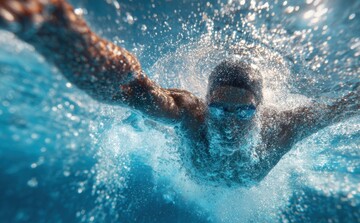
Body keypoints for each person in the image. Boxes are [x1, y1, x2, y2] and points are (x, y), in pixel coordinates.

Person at [0, 0, 358, 187]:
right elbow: (142, 96)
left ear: (260, 109)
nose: (229, 123)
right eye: (219, 108)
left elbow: (345, 106)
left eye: (244, 112)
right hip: (90, 52)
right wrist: (84, 49)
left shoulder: (284, 129)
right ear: (207, 103)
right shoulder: (192, 114)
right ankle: (51, 24)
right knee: (129, 88)